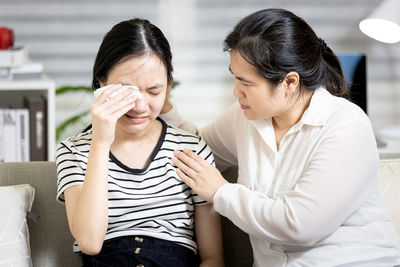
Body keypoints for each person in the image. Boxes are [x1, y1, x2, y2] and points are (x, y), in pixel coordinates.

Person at [160, 8, 400, 267]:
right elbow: (197, 145)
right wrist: (158, 101)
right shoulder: (246, 117)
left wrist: (221, 192)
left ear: (289, 82)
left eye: (246, 83)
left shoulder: (346, 125)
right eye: (234, 78)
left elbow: (299, 224)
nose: (236, 91)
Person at [56, 18, 224, 267]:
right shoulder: (74, 150)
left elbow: (213, 258)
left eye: (154, 92)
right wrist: (101, 143)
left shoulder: (192, 149)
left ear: (168, 86)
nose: (140, 106)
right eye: (127, 91)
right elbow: (89, 242)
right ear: (101, 83)